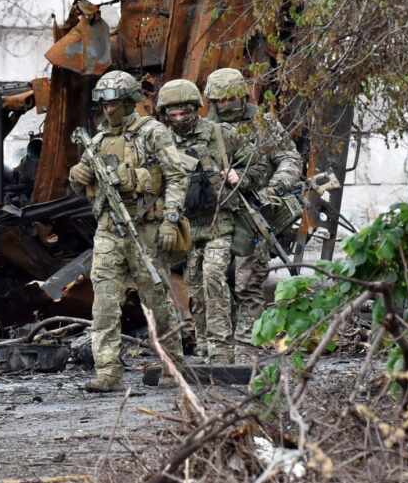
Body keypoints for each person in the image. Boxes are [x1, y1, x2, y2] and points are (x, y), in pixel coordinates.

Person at [68, 70, 188, 392]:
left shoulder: (153, 133)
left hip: (145, 228)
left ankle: (173, 364)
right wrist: (78, 177)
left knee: (157, 300)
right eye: (105, 104)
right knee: (104, 302)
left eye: (116, 104)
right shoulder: (96, 142)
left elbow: (176, 177)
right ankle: (108, 372)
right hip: (108, 230)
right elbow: (84, 188)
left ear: (130, 101)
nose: (109, 110)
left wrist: (170, 220)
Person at [156, 79, 266, 364]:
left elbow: (259, 164)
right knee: (195, 287)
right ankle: (204, 345)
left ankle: (221, 348)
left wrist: (238, 177)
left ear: (196, 109)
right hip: (189, 228)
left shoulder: (220, 134)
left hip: (221, 222)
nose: (179, 120)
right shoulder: (162, 141)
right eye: (173, 114)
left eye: (185, 113)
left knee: (214, 276)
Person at [204, 68, 302, 345]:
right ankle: (216, 346)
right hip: (218, 213)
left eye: (230, 99)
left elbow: (289, 159)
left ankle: (249, 345)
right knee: (212, 279)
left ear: (241, 96)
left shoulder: (263, 123)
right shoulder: (206, 129)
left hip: (255, 209)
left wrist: (275, 188)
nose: (224, 106)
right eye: (219, 101)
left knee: (248, 281)